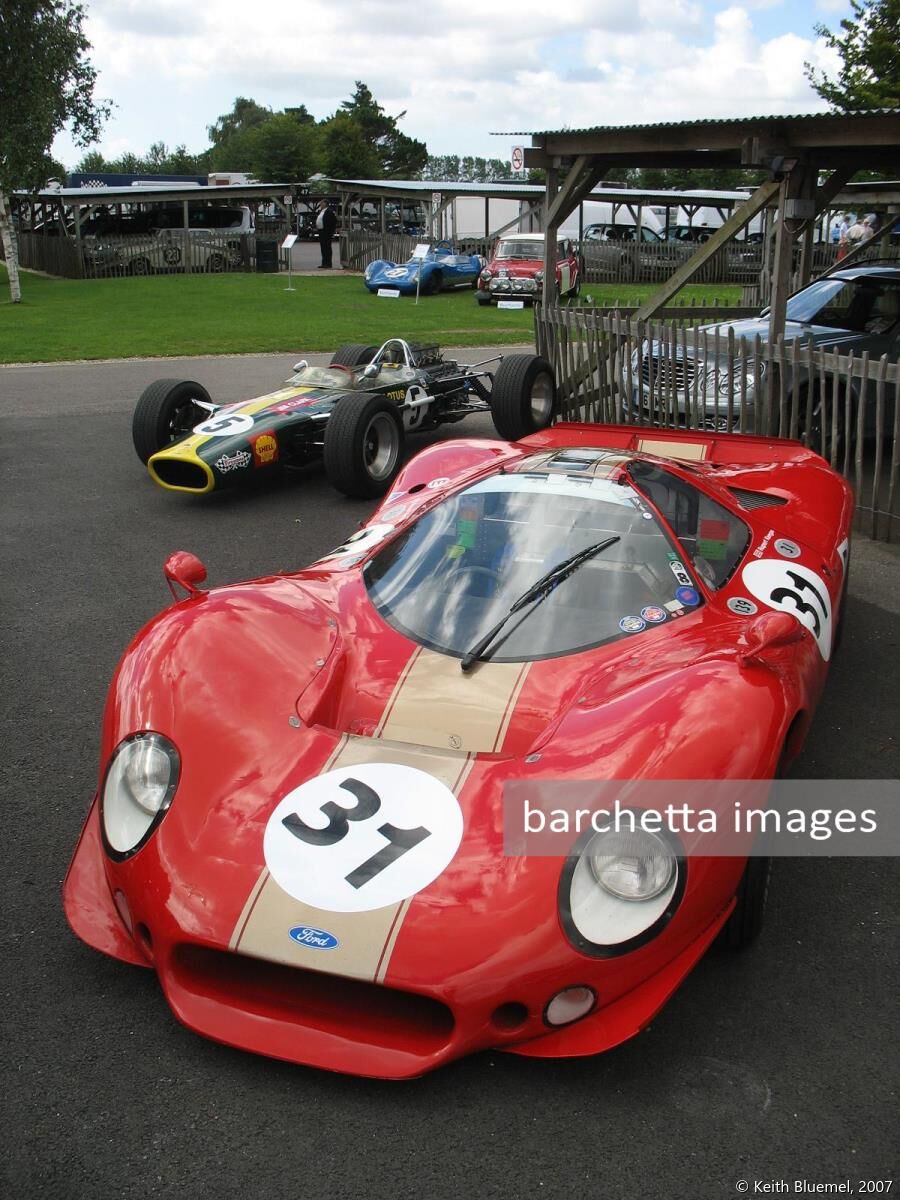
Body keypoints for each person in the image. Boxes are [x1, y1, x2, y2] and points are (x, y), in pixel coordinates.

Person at [316, 198, 337, 268]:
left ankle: (328, 263)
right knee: (323, 248)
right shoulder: (321, 211)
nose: (320, 205)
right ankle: (324, 263)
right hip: (321, 231)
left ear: (325, 204)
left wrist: (331, 231)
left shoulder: (329, 211)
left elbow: (333, 221)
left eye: (321, 203)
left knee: (327, 248)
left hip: (327, 232)